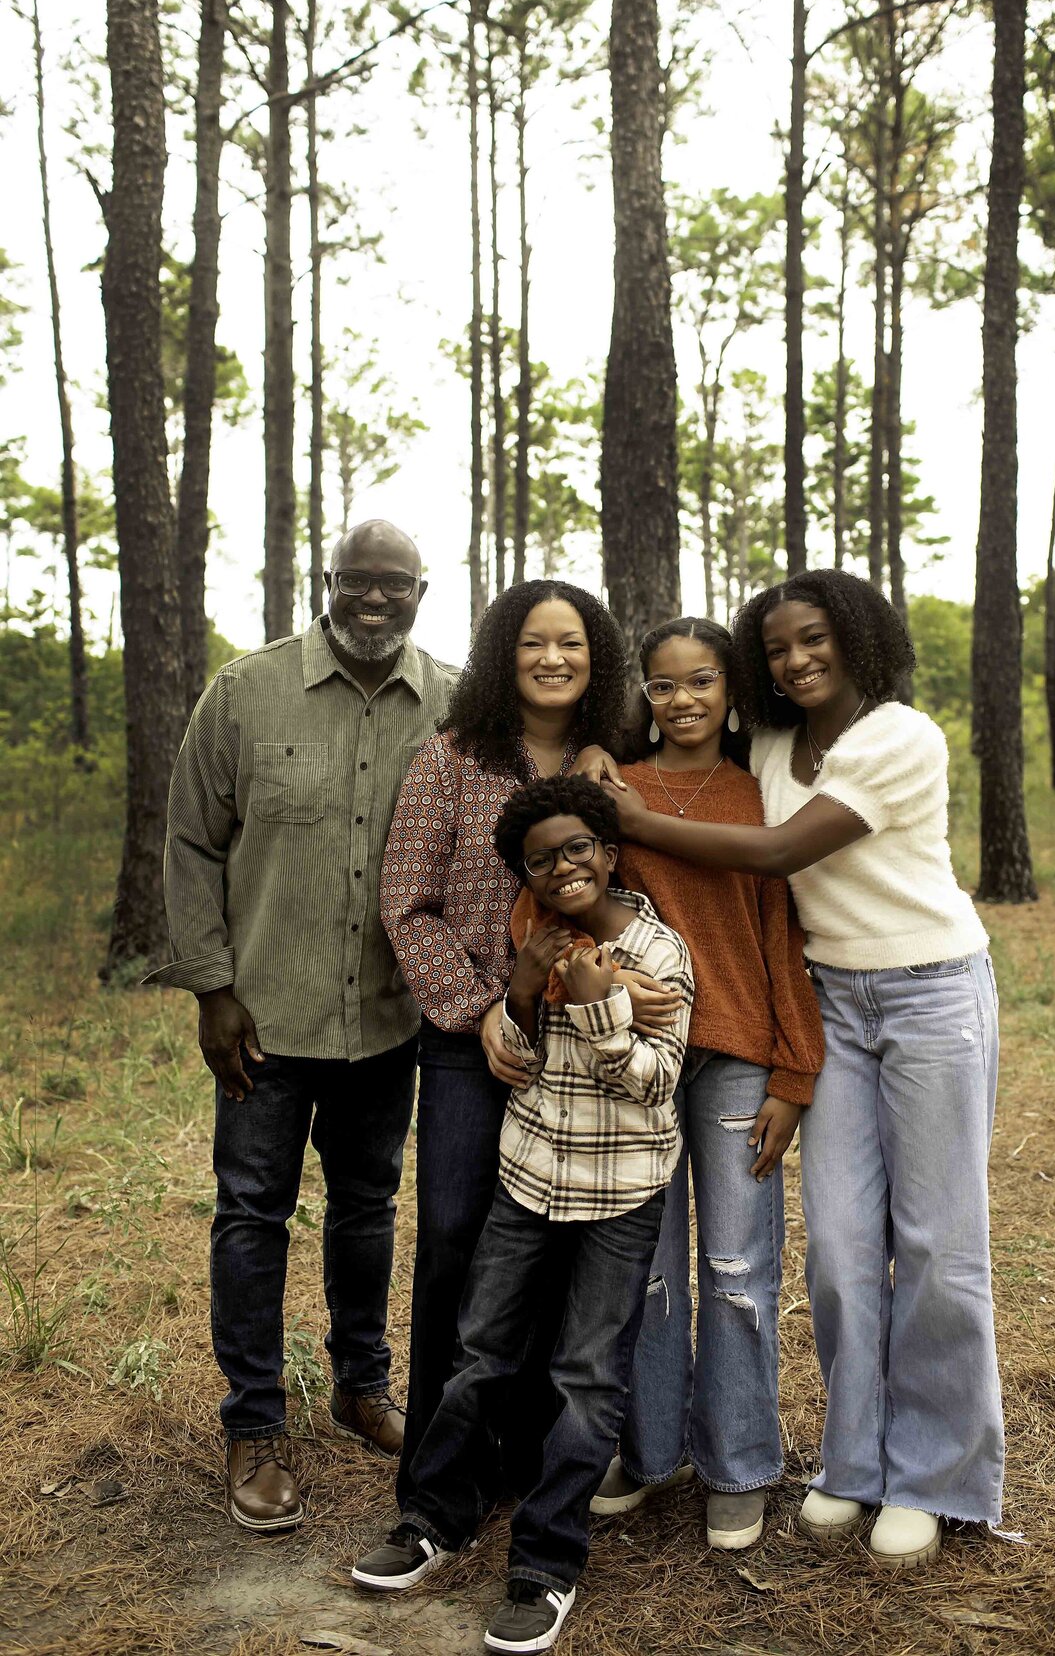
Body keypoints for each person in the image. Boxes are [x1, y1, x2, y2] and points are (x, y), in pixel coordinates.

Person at [587, 572, 1003, 1569]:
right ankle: (855, 1466)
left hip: (930, 990)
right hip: (835, 1003)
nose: (795, 660)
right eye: (776, 648)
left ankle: (936, 1477)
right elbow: (679, 732)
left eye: (813, 639)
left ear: (856, 638)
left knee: (938, 1244)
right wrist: (609, 749)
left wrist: (631, 817)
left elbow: (774, 852)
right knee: (842, 1252)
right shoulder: (773, 745)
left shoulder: (900, 736)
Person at [147, 520, 455, 1532]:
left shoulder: (452, 703)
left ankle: (363, 1386)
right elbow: (193, 845)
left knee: (367, 1212)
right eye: (356, 582)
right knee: (251, 1216)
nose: (374, 599)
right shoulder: (246, 693)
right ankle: (255, 1423)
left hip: (387, 1018)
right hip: (264, 1021)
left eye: (394, 585)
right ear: (328, 582)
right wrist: (210, 988)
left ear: (422, 590)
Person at [354, 776, 694, 1654]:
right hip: (530, 1180)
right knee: (480, 1354)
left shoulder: (659, 953)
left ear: (608, 853)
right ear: (525, 875)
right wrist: (523, 994)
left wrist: (601, 1008)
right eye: (540, 859)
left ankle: (545, 1564)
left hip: (620, 1196)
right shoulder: (536, 941)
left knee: (586, 1376)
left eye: (577, 849)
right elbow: (516, 1053)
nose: (562, 867)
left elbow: (658, 1086)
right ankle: (435, 1515)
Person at [381, 580, 659, 1502]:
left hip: (585, 1052)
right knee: (457, 1241)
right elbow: (406, 906)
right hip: (474, 1044)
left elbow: (631, 899)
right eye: (534, 643)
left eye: (572, 645)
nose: (553, 659)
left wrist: (626, 987)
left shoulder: (612, 766)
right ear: (505, 654)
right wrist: (482, 1010)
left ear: (598, 660)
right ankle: (439, 1474)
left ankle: (537, 1465)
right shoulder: (452, 759)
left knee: (559, 1256)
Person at [587, 618, 824, 1552]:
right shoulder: (615, 792)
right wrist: (599, 979)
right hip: (639, 1065)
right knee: (646, 1276)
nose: (683, 700)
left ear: (730, 692)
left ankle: (737, 1463)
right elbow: (560, 894)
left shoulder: (758, 796)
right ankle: (649, 1452)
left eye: (702, 682)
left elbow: (783, 941)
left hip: (734, 1059)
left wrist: (794, 1072)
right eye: (664, 685)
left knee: (736, 1272)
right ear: (644, 695)